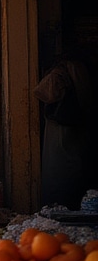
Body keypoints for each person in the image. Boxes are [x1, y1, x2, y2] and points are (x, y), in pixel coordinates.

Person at [35, 57, 94, 208]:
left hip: (65, 132)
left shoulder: (63, 72)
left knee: (61, 175)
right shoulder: (78, 72)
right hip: (72, 133)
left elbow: (41, 92)